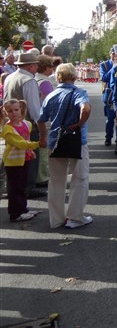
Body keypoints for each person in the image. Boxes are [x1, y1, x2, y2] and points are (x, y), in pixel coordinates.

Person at [40, 63, 92, 229]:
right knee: (80, 178)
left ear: (58, 77)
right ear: (75, 76)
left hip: (55, 140)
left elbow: (41, 119)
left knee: (56, 180)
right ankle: (75, 217)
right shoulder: (78, 93)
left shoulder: (51, 95)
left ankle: (56, 219)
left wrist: (43, 136)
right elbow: (86, 108)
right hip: (76, 140)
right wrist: (79, 123)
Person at [3, 51, 48, 200]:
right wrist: (42, 129)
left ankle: (17, 188)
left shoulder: (10, 77)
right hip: (25, 124)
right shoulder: (28, 80)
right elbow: (34, 110)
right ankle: (28, 188)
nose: (36, 68)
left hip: (12, 122)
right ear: (30, 66)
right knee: (29, 157)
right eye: (35, 65)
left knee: (15, 156)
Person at [2, 99, 41, 222]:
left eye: (16, 110)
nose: (14, 113)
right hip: (13, 162)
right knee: (15, 188)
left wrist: (30, 151)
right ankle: (15, 213)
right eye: (10, 111)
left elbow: (26, 138)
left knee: (23, 186)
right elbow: (20, 143)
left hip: (24, 159)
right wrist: (36, 145)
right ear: (5, 113)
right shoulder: (8, 129)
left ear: (21, 109)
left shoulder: (26, 124)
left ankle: (23, 209)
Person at [34, 54, 56, 188]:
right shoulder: (45, 82)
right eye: (51, 67)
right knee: (44, 149)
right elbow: (49, 103)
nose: (52, 69)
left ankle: (38, 176)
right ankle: (42, 177)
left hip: (37, 117)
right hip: (44, 118)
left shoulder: (35, 79)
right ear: (46, 67)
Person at [99, 48, 117, 147]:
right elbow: (104, 78)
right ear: (110, 54)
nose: (115, 56)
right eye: (113, 54)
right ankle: (108, 137)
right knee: (110, 119)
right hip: (110, 95)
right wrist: (114, 67)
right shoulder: (104, 65)